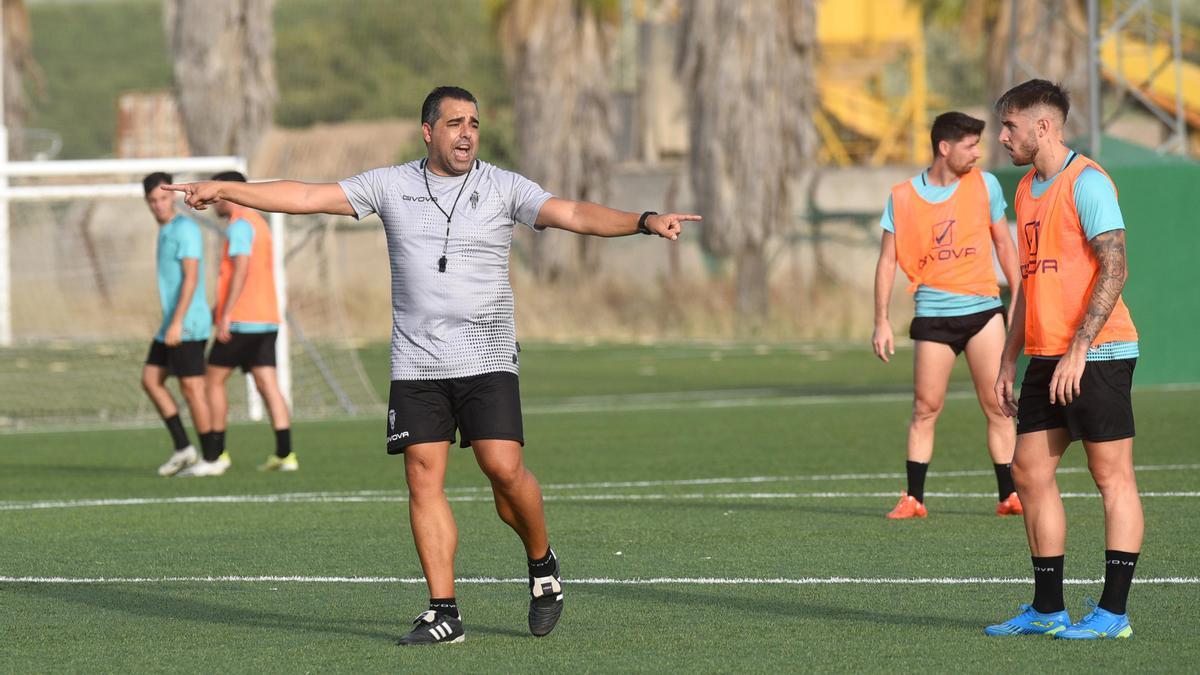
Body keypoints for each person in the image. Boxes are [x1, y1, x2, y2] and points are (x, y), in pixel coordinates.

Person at [166, 85, 701, 645]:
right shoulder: (390, 184)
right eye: (454, 123)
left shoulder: (503, 186)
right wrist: (227, 188)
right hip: (417, 362)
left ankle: (542, 566)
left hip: (488, 355)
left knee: (503, 470)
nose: (467, 133)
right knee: (422, 475)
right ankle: (443, 611)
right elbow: (305, 195)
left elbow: (569, 212)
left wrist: (642, 220)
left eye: (473, 123)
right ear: (429, 132)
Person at [984, 79, 1141, 640]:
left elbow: (1114, 267)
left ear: (1042, 127)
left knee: (1110, 476)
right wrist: (1009, 357)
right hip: (1044, 355)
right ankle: (1048, 609)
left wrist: (1080, 349)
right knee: (1028, 471)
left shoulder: (1089, 182)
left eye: (1010, 126)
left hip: (1098, 352)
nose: (1002, 137)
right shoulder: (1026, 190)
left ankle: (1113, 614)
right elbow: (1027, 282)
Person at [872, 112, 1023, 519]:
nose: (977, 153)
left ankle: (1010, 495)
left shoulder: (985, 185)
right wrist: (881, 320)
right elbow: (887, 262)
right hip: (933, 318)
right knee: (925, 407)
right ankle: (914, 499)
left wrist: (1019, 295)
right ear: (944, 148)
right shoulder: (901, 196)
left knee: (999, 404)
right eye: (970, 145)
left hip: (983, 313)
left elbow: (1004, 246)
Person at [178, 171, 296, 477]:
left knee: (210, 381)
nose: (215, 201)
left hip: (243, 319)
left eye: (218, 194)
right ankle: (285, 453)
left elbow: (241, 269)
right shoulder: (259, 223)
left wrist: (225, 313)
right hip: (266, 318)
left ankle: (216, 454)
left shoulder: (241, 226)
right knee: (267, 384)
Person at [140, 172, 217, 477]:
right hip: (170, 323)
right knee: (150, 379)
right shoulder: (165, 229)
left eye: (163, 198)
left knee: (192, 388)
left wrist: (177, 321)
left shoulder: (186, 229)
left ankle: (212, 458)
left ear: (172, 197)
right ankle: (184, 448)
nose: (158, 205)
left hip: (188, 322)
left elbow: (191, 278)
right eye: (152, 200)